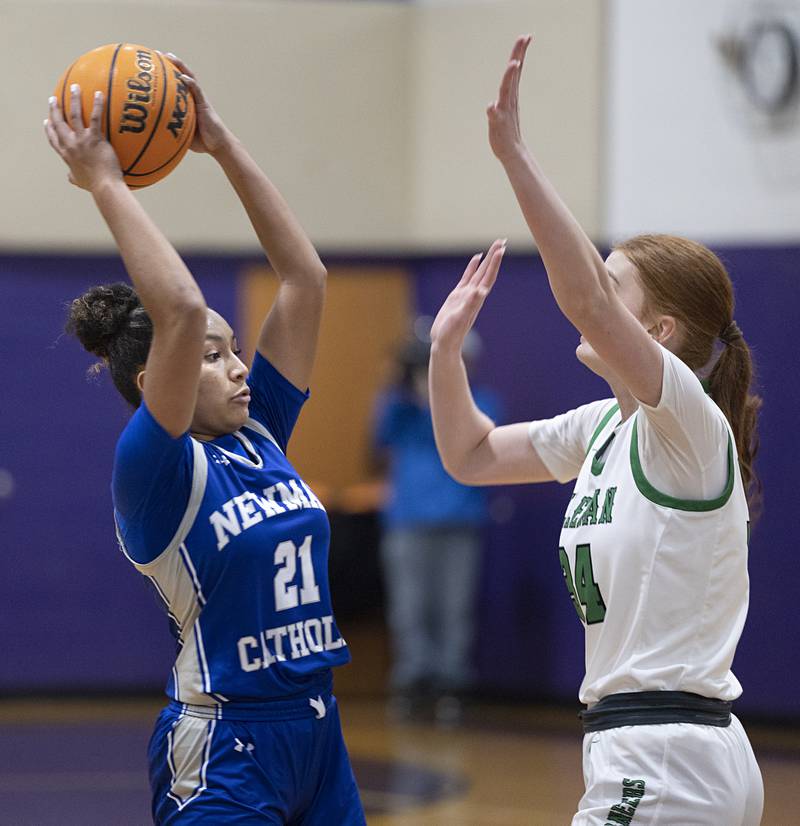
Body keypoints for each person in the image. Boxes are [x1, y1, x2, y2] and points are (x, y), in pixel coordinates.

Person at [427, 36, 763, 825]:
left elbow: (584, 303)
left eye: (615, 285)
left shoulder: (686, 422)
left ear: (663, 330)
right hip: (650, 749)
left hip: (667, 759)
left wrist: (515, 157)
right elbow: (470, 455)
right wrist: (446, 355)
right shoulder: (603, 429)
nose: (590, 290)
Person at [45, 58, 365, 825]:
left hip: (319, 734)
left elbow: (305, 278)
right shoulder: (156, 468)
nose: (238, 366)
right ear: (165, 375)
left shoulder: (261, 434)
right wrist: (106, 184)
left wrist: (220, 144)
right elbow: (182, 309)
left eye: (234, 350)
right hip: (225, 746)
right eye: (215, 356)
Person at [373, 325, 499, 723]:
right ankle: (413, 680)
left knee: (453, 606)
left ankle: (451, 681)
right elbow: (380, 437)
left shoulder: (481, 401)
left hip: (458, 520)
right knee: (409, 607)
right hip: (407, 520)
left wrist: (439, 395)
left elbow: (484, 435)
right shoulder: (399, 406)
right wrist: (403, 384)